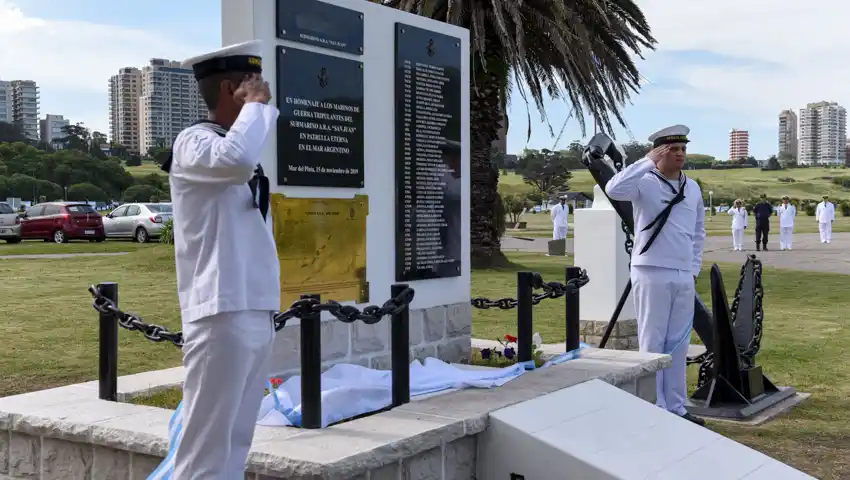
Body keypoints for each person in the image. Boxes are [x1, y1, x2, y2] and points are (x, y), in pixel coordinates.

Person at [164, 40, 280, 478]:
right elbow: (235, 161)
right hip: (220, 311)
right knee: (205, 449)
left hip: (253, 307)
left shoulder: (231, 146)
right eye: (254, 85)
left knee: (235, 441)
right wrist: (255, 107)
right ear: (232, 87)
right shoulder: (194, 143)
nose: (264, 91)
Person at [605, 124, 706, 426]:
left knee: (678, 343)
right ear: (660, 152)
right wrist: (647, 160)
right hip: (651, 270)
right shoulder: (644, 182)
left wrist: (694, 267)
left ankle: (676, 405)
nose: (680, 155)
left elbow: (698, 232)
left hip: (682, 273)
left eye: (683, 149)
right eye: (673, 150)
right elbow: (613, 189)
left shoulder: (692, 187)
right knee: (652, 340)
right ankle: (653, 405)